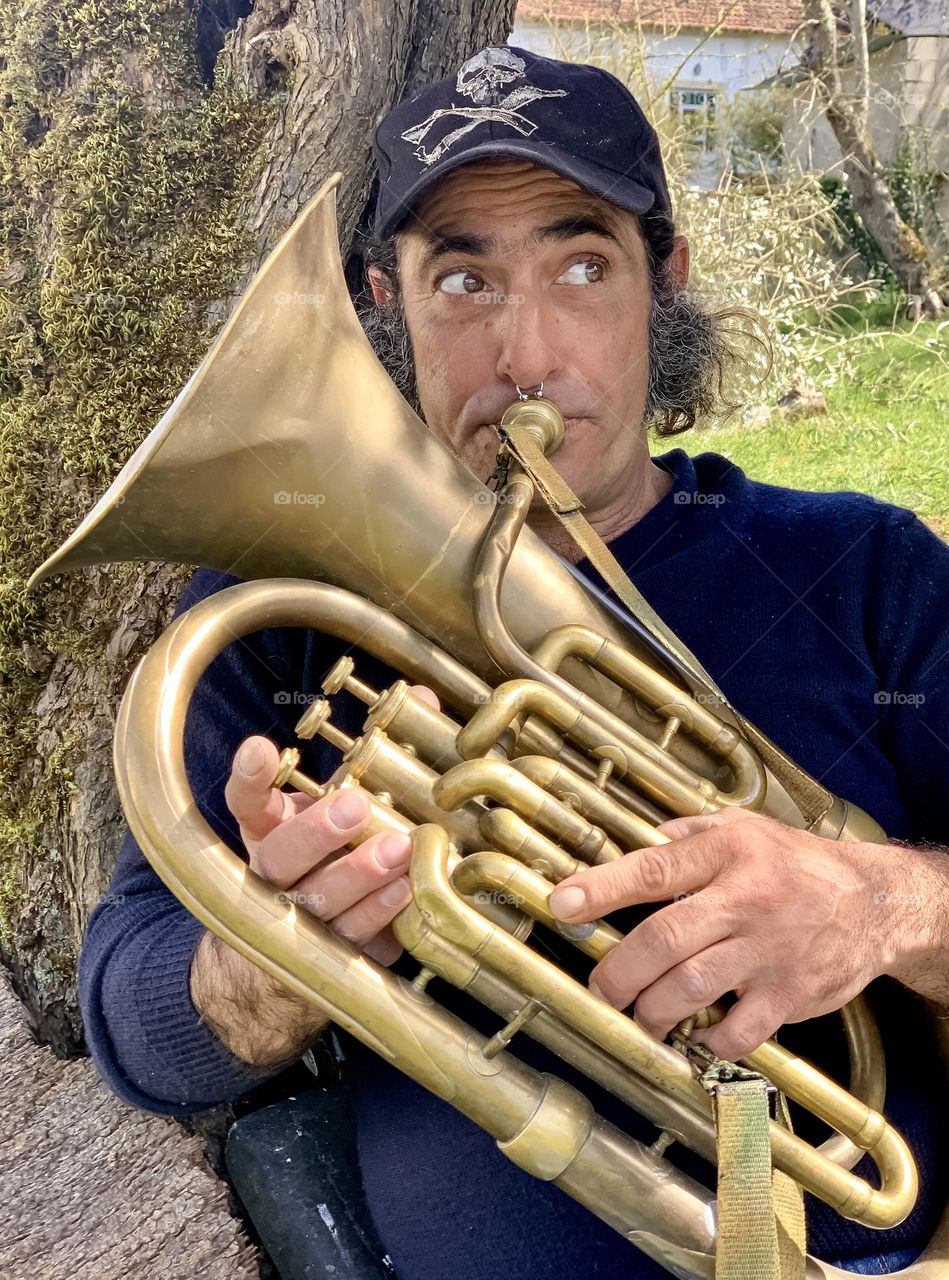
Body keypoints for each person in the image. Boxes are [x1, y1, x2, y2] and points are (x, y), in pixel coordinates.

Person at [78, 46, 949, 1279]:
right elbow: (131, 1017)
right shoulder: (278, 613)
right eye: (463, 279)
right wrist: (278, 955)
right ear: (385, 300)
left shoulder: (865, 573)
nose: (526, 353)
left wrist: (875, 907)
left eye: (581, 264)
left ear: (667, 278)